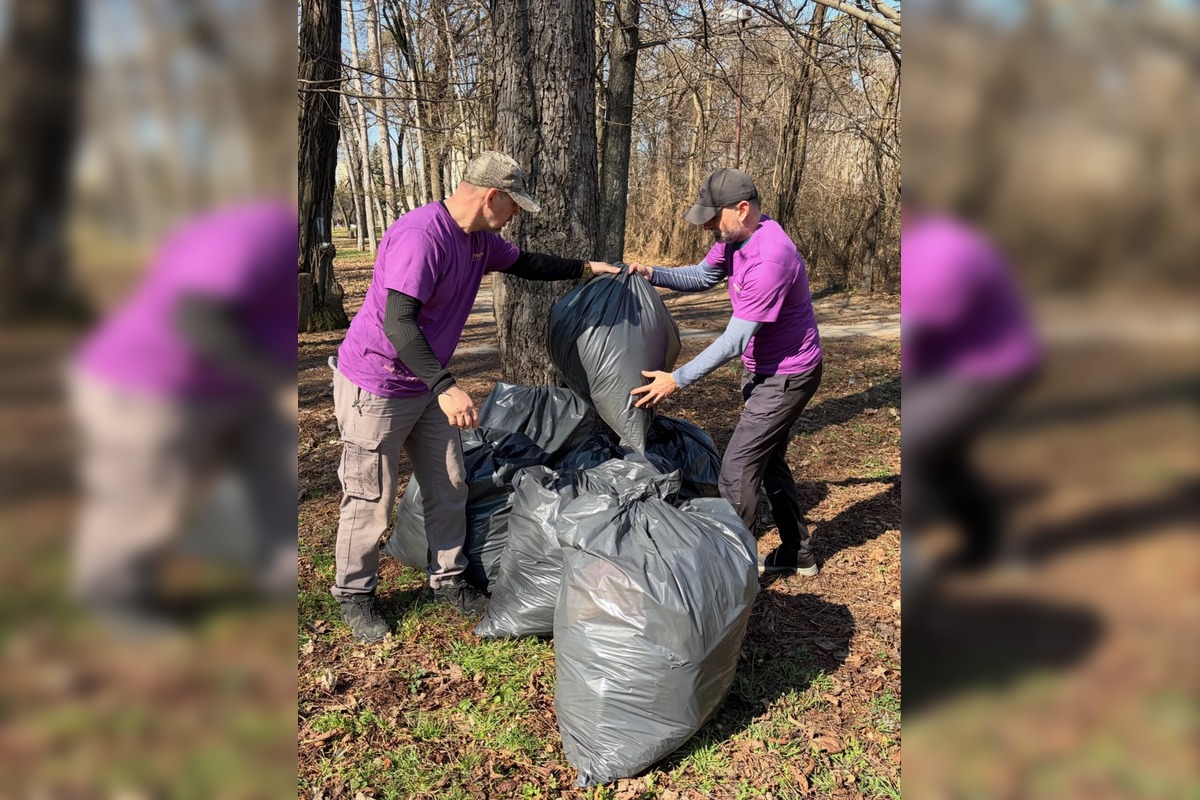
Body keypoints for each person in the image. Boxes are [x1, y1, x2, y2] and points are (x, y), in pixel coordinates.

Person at [330, 151, 618, 643]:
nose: (514, 218)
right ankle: (354, 594)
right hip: (376, 385)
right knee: (369, 497)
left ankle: (447, 580)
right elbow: (398, 322)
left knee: (448, 483)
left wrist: (586, 268)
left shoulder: (480, 242)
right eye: (514, 207)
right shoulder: (422, 236)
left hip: (425, 384)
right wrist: (445, 387)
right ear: (492, 196)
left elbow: (527, 263)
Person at [71, 201, 298, 631]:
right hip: (148, 383)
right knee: (148, 495)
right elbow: (197, 315)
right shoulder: (261, 233)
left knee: (275, 469)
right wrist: (275, 381)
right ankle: (112, 597)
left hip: (231, 387)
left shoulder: (287, 241)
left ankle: (281, 576)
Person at [630, 168, 824, 576]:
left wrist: (676, 379)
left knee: (736, 473)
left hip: (787, 376)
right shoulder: (735, 237)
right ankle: (798, 553)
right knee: (767, 462)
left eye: (714, 218)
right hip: (761, 370)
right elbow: (702, 275)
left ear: (742, 208)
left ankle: (730, 580)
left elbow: (733, 341)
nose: (709, 228)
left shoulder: (772, 257)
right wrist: (652, 273)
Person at [901, 198, 1041, 587]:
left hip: (993, 367)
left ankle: (910, 572)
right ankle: (992, 550)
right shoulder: (923, 247)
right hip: (963, 367)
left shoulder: (945, 247)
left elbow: (929, 318)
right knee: (943, 456)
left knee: (914, 441)